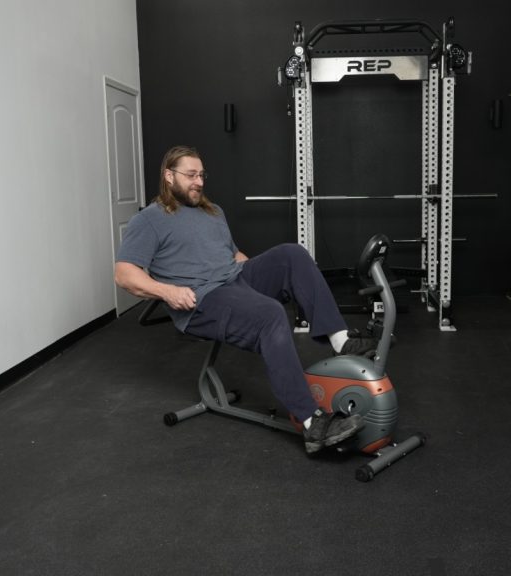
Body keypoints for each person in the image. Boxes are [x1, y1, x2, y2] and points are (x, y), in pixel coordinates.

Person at [115, 145, 378, 454]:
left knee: (291, 253)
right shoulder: (149, 219)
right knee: (270, 313)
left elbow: (233, 256)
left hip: (235, 280)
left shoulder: (213, 212)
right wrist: (167, 291)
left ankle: (340, 339)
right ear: (169, 176)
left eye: (201, 175)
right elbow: (124, 274)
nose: (198, 182)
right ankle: (313, 424)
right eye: (190, 175)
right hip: (202, 299)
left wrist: (257, 274)